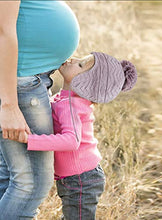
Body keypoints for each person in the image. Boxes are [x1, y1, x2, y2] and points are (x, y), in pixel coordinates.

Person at [21, 52, 137, 220]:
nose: (74, 59)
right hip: (79, 177)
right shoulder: (65, 98)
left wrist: (29, 140)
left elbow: (71, 141)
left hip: (82, 180)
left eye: (81, 65)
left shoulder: (71, 105)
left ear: (86, 82)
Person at [0, 1, 80, 219]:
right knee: (31, 184)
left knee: (10, 178)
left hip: (24, 78)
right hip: (18, 81)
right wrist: (8, 105)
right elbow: (2, 30)